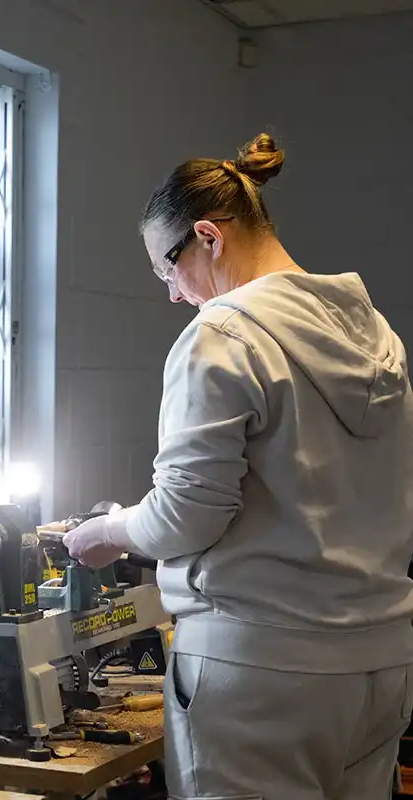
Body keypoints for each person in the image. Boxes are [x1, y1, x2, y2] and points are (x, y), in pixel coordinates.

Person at [63, 133, 413, 799]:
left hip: (263, 674)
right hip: (381, 665)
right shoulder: (376, 335)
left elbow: (185, 516)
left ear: (207, 237)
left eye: (169, 269)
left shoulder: (222, 334)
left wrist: (108, 531)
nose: (173, 294)